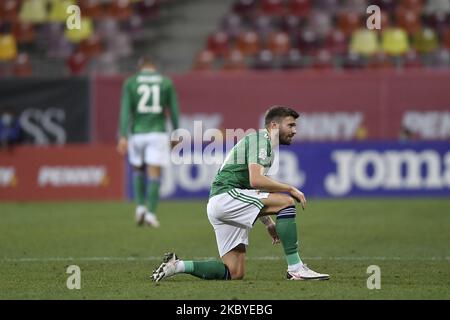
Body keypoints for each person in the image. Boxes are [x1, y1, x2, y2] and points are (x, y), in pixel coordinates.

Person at [151, 106, 330, 281]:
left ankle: (177, 265)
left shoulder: (260, 143)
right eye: (290, 125)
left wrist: (268, 223)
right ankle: (296, 269)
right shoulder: (262, 141)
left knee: (234, 272)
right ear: (274, 126)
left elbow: (253, 188)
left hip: (221, 203)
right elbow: (255, 180)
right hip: (227, 197)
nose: (295, 130)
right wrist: (290, 188)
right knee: (286, 202)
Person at [117, 56, 180, 228]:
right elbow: (173, 109)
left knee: (137, 169)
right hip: (157, 132)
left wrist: (123, 135)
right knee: (154, 174)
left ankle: (139, 207)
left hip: (137, 133)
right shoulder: (165, 82)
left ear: (140, 67)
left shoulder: (131, 82)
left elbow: (125, 111)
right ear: (154, 66)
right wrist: (176, 132)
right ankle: (151, 214)